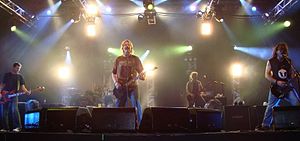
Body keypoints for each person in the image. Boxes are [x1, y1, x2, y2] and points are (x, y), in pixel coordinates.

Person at [257, 42, 300, 130]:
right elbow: (267, 75)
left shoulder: (288, 61)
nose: (282, 51)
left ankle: (297, 124)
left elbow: (291, 74)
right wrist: (276, 82)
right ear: (276, 51)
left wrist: (295, 76)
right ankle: (265, 125)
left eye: (284, 50)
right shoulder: (271, 61)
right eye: (280, 50)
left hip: (287, 87)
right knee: (270, 107)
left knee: (297, 103)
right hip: (276, 88)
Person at [112, 39, 145, 126]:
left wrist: (142, 77)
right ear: (122, 48)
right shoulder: (118, 59)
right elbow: (113, 73)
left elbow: (142, 73)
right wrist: (116, 83)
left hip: (132, 86)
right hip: (120, 87)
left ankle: (140, 125)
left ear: (131, 48)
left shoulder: (136, 59)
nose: (127, 46)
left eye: (129, 45)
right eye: (125, 45)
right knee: (119, 105)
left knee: (136, 104)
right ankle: (116, 124)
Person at [0, 62, 31, 132]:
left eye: (19, 68)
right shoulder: (7, 75)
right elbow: (2, 84)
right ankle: (5, 128)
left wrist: (27, 91)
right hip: (5, 95)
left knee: (14, 110)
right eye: (17, 68)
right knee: (4, 112)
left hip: (14, 95)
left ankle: (18, 127)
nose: (18, 70)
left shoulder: (20, 76)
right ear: (13, 67)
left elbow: (22, 87)